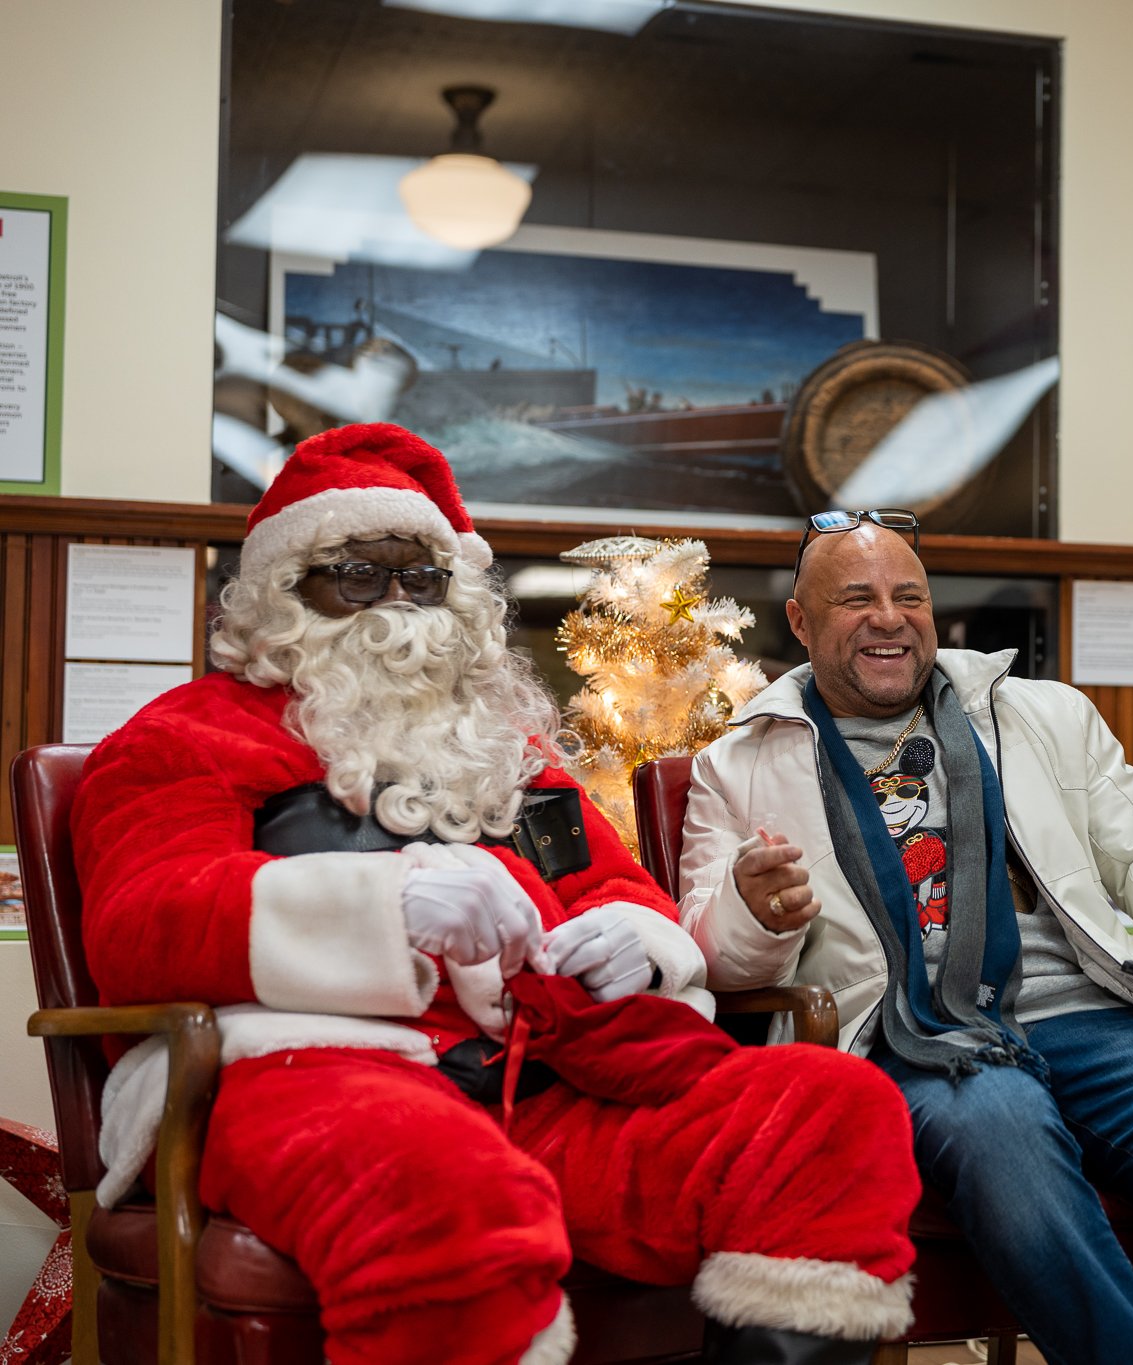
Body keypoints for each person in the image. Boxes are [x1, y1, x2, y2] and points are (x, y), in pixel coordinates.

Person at [72, 425, 919, 1365]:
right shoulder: (186, 738)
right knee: (439, 1177)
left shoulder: (500, 745)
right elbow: (143, 920)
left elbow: (612, 885)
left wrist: (632, 939)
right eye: (357, 575)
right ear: (283, 596)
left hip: (546, 1076)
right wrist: (381, 902)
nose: (398, 604)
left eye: (423, 578)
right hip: (312, 1073)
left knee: (828, 1109)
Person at [679, 513, 1133, 1365]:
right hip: (913, 1033)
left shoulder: (1037, 716)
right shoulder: (741, 761)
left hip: (1088, 1009)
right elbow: (707, 953)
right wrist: (755, 912)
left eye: (909, 596)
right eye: (856, 599)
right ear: (799, 621)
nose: (889, 617)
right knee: (1010, 1156)